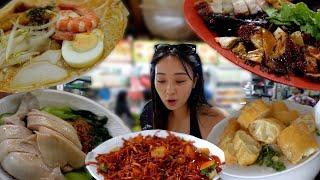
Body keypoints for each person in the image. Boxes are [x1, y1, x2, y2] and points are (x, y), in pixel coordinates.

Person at [139, 44, 225, 139]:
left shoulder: (214, 120)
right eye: (161, 80)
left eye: (180, 81)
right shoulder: (149, 112)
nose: (170, 91)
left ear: (194, 81)